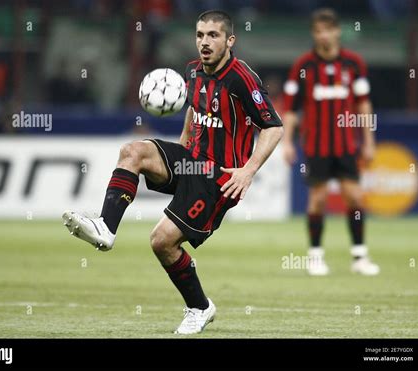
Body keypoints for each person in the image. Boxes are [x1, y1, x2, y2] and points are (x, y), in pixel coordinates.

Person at [63, 10, 283, 334]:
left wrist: (248, 171)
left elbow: (273, 127)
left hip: (218, 178)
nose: (204, 42)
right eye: (200, 35)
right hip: (190, 160)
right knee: (132, 152)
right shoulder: (192, 71)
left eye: (213, 36)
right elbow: (194, 109)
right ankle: (106, 227)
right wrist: (179, 150)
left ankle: (200, 307)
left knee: (161, 241)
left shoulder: (241, 78)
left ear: (229, 40)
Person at [282, 8, 379, 276]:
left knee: (355, 198)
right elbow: (290, 108)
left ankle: (359, 256)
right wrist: (288, 142)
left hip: (347, 144)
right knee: (318, 199)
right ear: (313, 34)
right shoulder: (303, 66)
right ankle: (315, 256)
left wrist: (369, 140)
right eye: (318, 31)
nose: (323, 35)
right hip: (316, 145)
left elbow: (364, 104)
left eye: (328, 29)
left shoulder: (353, 63)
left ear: (337, 31)